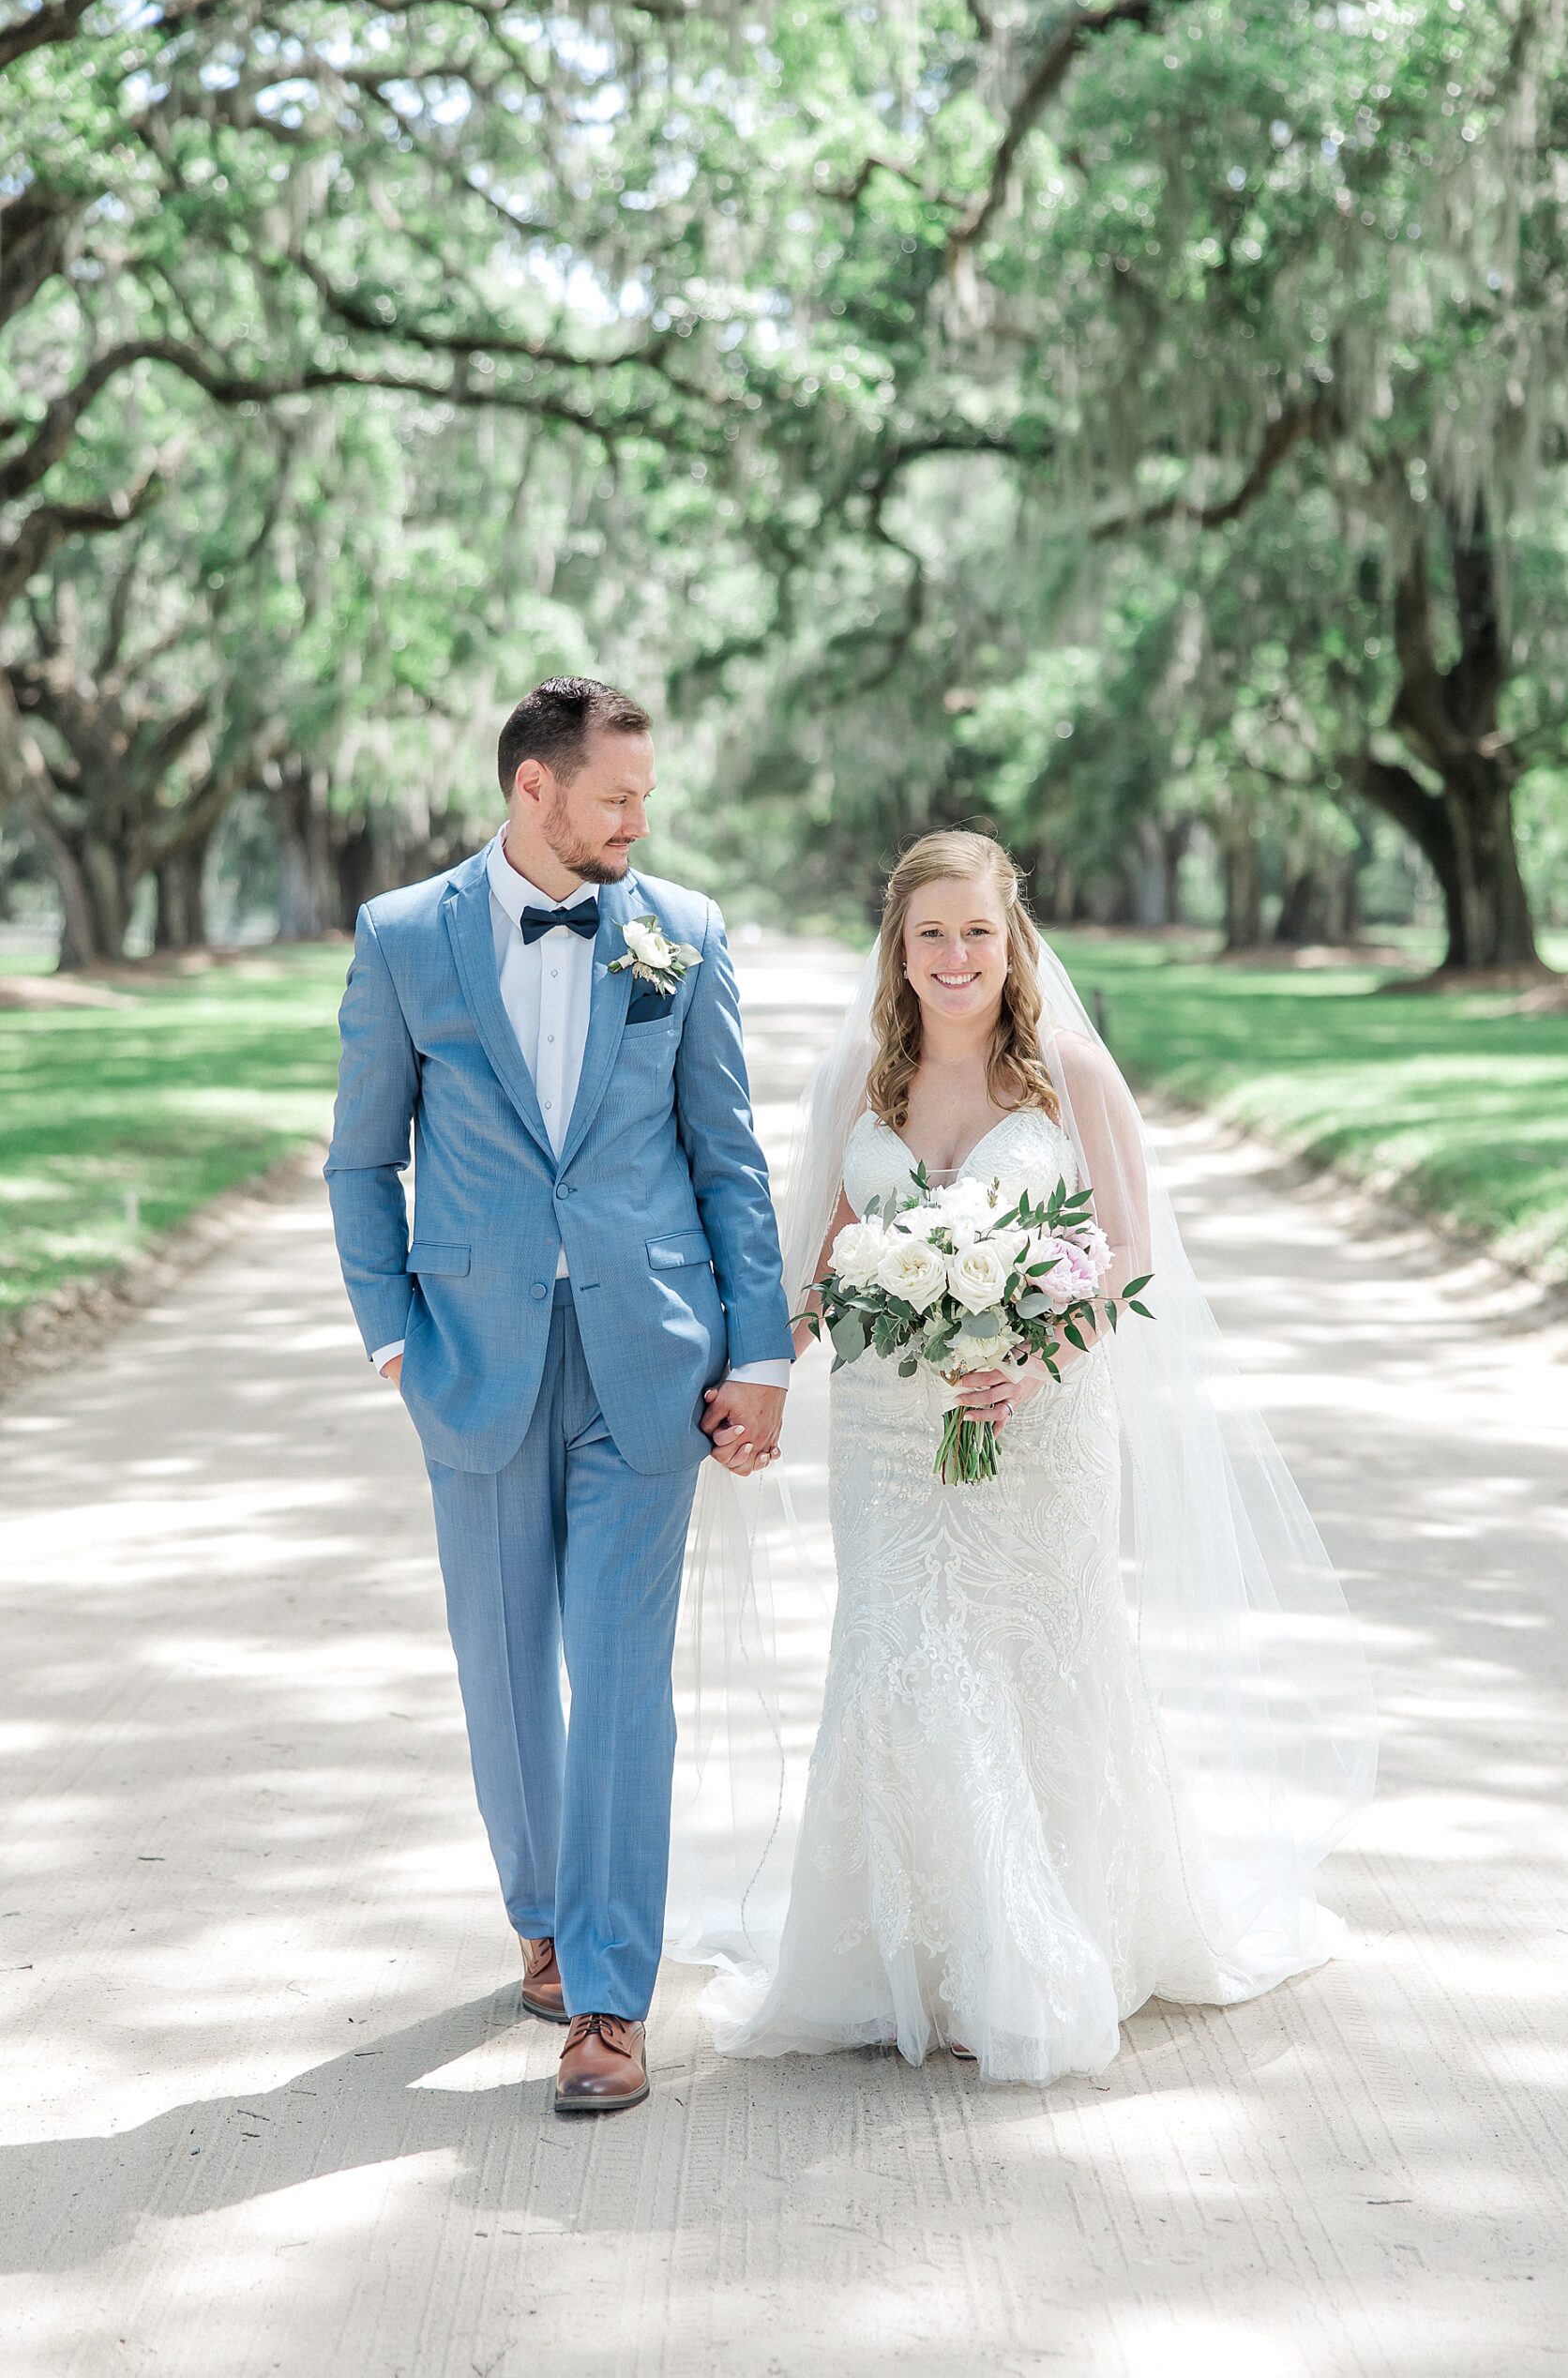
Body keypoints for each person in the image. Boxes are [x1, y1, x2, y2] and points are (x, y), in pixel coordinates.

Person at [695, 831, 1376, 2086]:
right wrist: (765, 1374)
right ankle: (906, 1957)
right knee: (900, 1651)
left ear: (1014, 945)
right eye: (930, 937)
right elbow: (826, 1250)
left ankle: (1030, 1949)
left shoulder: (1068, 1074)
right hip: (895, 1432)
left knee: (1025, 1662)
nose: (955, 959)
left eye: (978, 935)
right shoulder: (858, 1076)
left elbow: (1128, 1254)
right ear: (897, 952)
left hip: (1037, 1426)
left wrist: (1035, 1358)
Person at [324, 675, 792, 2114]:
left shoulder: (681, 932)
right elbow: (360, 1160)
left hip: (650, 1351)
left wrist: (760, 1354)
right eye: (615, 799)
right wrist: (394, 1334)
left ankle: (607, 1995)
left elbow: (728, 1156)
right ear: (536, 790)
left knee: (620, 1676)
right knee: (505, 1665)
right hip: (474, 1354)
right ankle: (539, 1912)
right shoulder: (406, 938)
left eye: (643, 800)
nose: (637, 823)